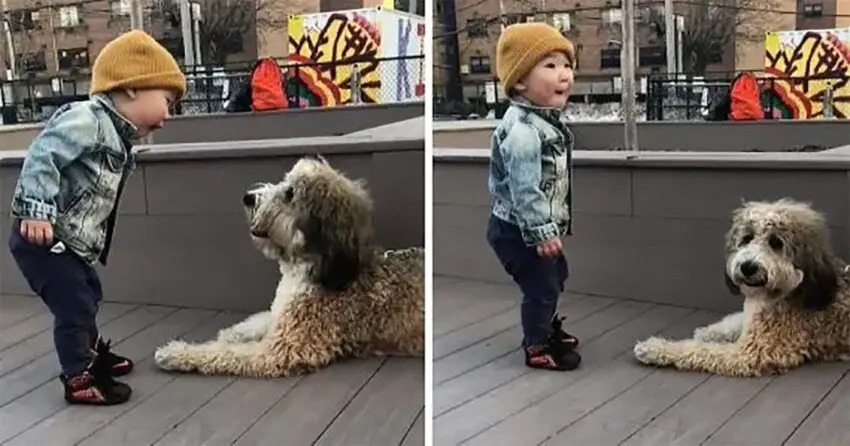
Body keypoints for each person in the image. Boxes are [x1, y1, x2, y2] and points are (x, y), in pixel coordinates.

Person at [8, 29, 186, 405]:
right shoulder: (88, 119)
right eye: (167, 101)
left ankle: (89, 355)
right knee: (74, 303)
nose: (168, 116)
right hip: (42, 237)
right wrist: (36, 211)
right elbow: (44, 153)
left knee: (88, 294)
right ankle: (78, 378)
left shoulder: (119, 139)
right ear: (133, 87)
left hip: (69, 242)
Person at [486, 22, 582, 371]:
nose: (564, 75)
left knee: (555, 278)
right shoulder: (524, 133)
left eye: (567, 65)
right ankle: (537, 345)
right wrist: (542, 232)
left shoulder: (543, 121)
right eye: (551, 65)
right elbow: (525, 187)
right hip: (518, 230)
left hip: (529, 227)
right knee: (541, 287)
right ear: (520, 81)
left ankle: (545, 326)